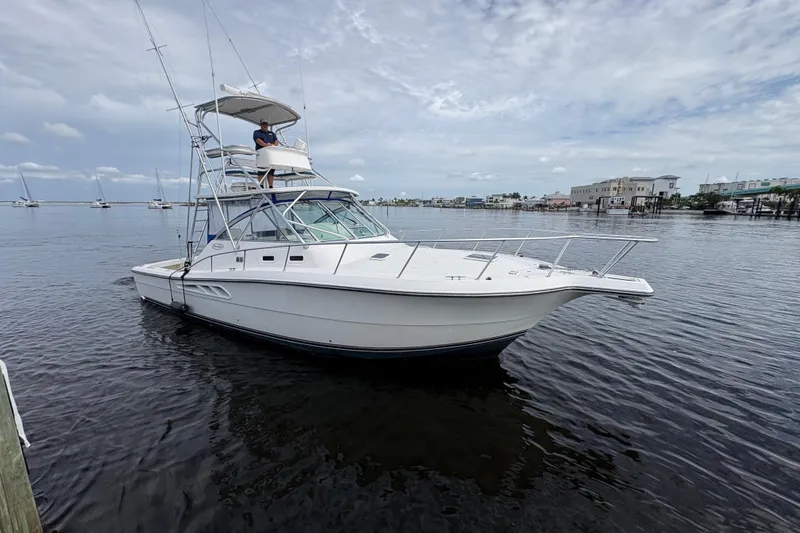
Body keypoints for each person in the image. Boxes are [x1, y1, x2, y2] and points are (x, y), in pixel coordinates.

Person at [253, 120, 278, 188]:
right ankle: (261, 186)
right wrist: (265, 145)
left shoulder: (272, 133)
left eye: (266, 124)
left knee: (271, 171)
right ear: (260, 125)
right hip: (261, 154)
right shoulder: (257, 132)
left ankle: (270, 186)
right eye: (263, 124)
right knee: (261, 170)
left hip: (271, 155)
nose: (265, 125)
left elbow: (276, 141)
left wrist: (273, 146)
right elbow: (257, 140)